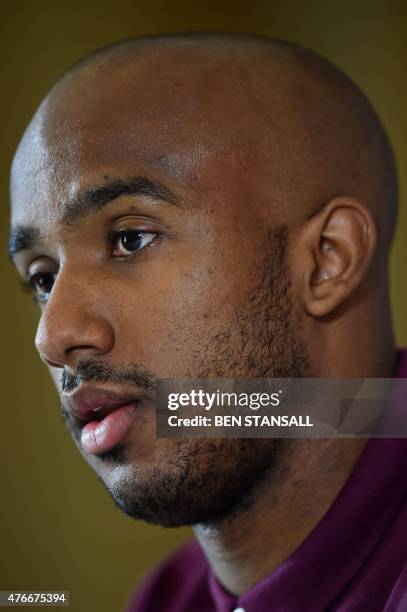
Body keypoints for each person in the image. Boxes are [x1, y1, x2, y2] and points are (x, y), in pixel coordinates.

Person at [8, 33, 406, 611]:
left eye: (130, 239)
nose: (53, 336)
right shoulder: (167, 598)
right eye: (42, 277)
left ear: (327, 261)